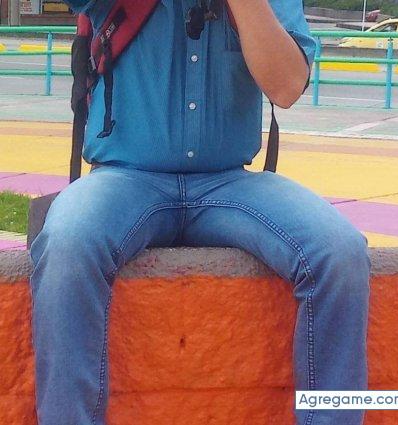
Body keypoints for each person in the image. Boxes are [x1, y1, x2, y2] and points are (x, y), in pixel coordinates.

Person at [29, 0, 371, 424]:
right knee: (67, 244)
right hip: (124, 177)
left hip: (229, 181)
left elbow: (286, 87)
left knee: (340, 252)